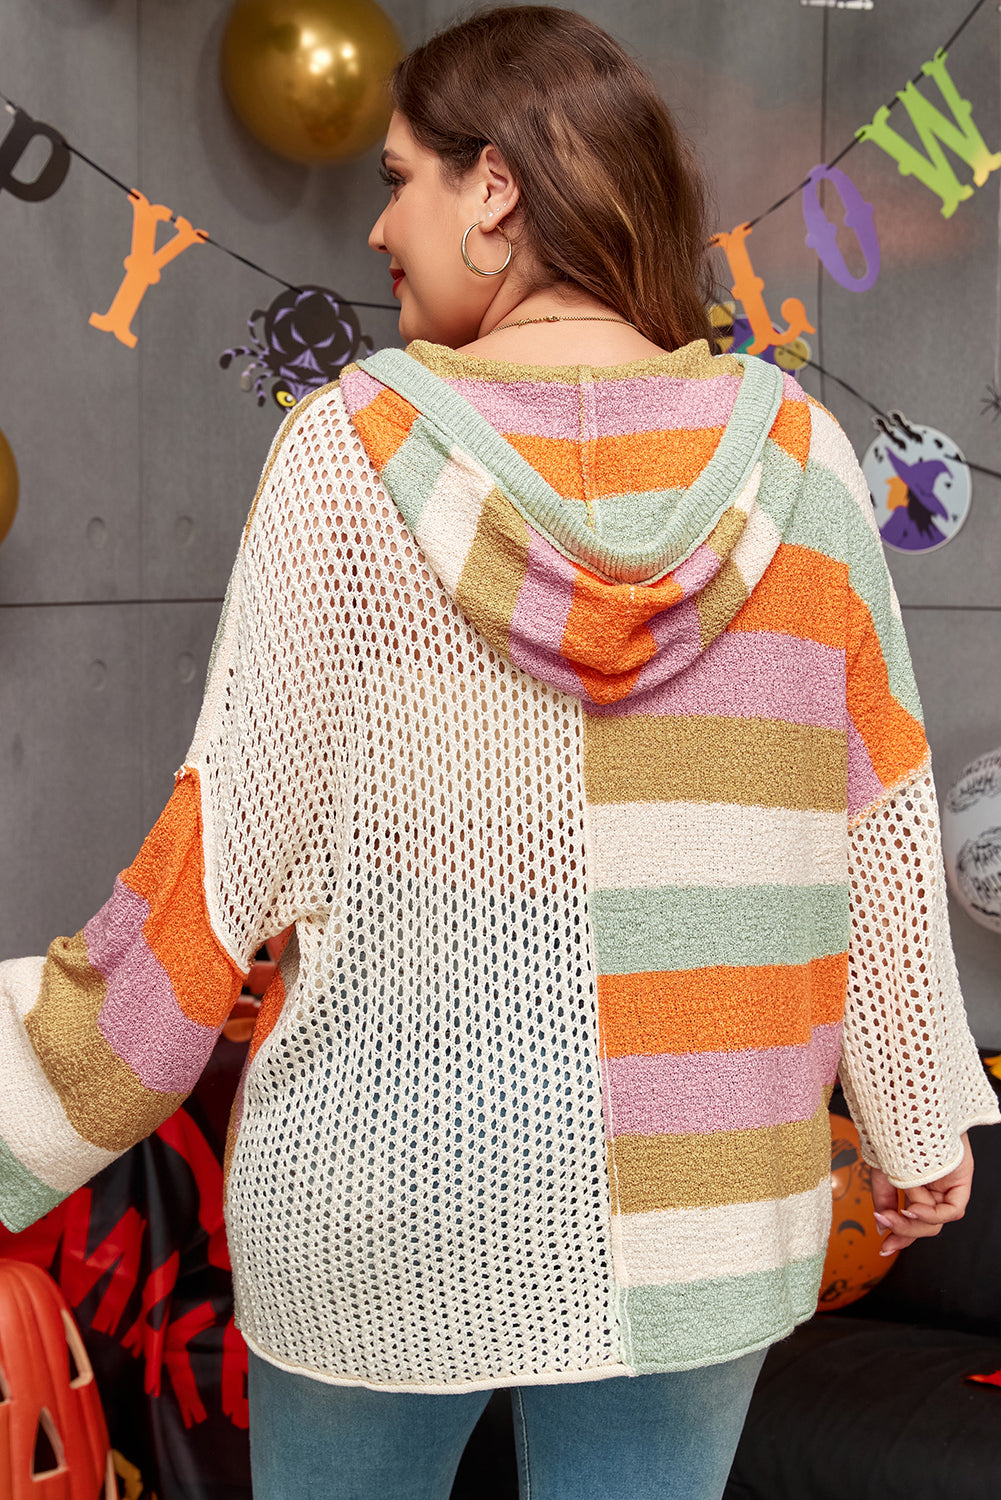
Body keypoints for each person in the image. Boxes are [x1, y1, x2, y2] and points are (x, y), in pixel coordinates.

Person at [1, 7, 998, 1498]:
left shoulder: (349, 452)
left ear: (496, 188)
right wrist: (915, 1115)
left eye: (398, 179)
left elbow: (214, 864)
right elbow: (882, 813)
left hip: (387, 1188)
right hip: (707, 1203)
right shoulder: (801, 463)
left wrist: (32, 1091)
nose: (377, 226)